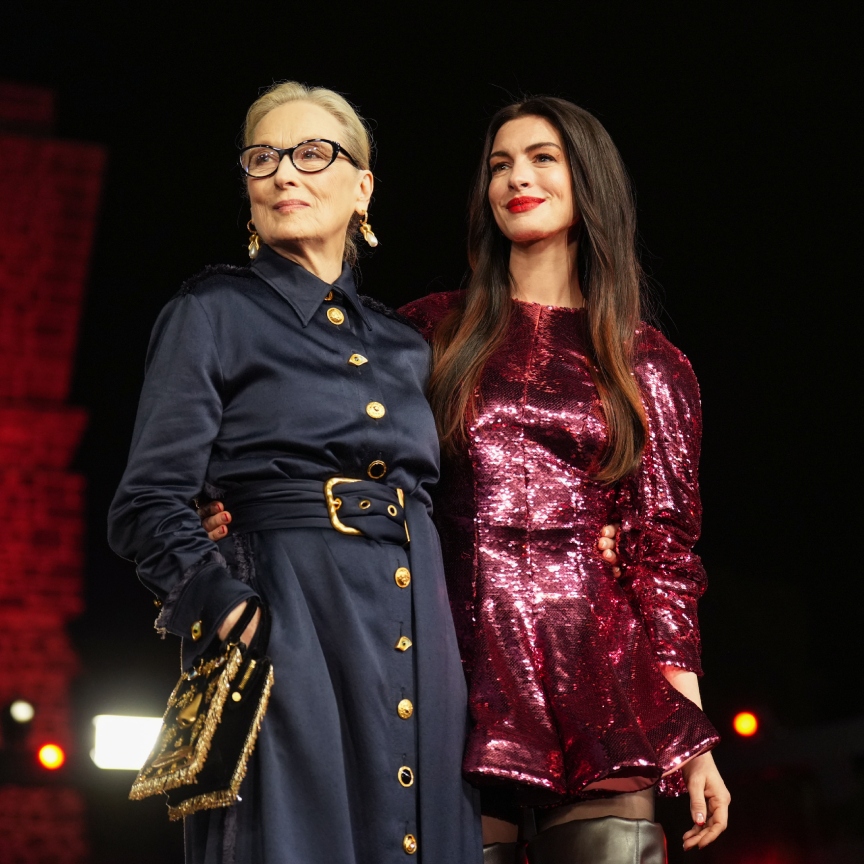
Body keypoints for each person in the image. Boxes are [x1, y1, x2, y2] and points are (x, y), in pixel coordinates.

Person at [107, 81, 483, 864]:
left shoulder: (409, 346)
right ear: (247, 189)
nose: (286, 174)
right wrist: (233, 611)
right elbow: (146, 502)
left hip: (418, 627)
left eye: (314, 154)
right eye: (264, 158)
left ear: (363, 187)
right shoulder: (210, 311)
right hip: (289, 625)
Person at [397, 97, 732, 863]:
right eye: (500, 164)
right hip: (450, 677)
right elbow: (350, 455)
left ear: (588, 180)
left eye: (542, 157)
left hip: (602, 686)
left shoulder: (650, 364)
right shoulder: (427, 332)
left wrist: (693, 737)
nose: (518, 176)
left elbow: (664, 560)